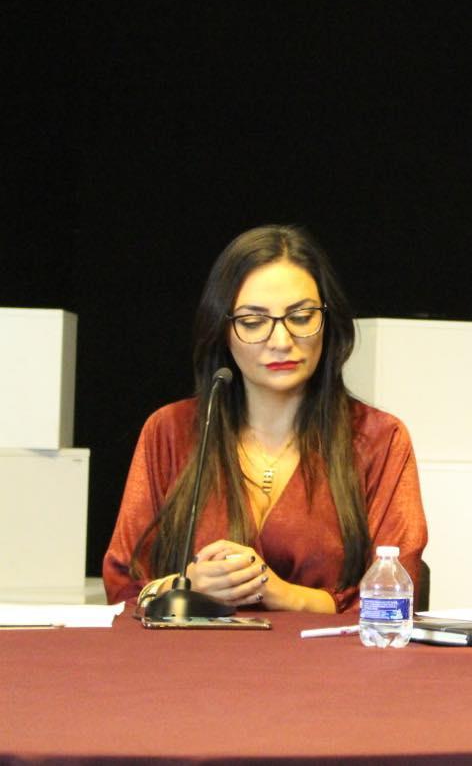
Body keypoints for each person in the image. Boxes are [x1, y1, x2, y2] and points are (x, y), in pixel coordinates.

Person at [103, 225, 426, 613]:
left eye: (301, 317)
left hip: (324, 653)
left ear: (329, 321)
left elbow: (392, 601)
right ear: (222, 329)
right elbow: (122, 588)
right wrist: (184, 586)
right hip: (193, 652)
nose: (281, 341)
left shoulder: (379, 439)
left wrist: (282, 594)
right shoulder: (171, 431)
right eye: (253, 322)